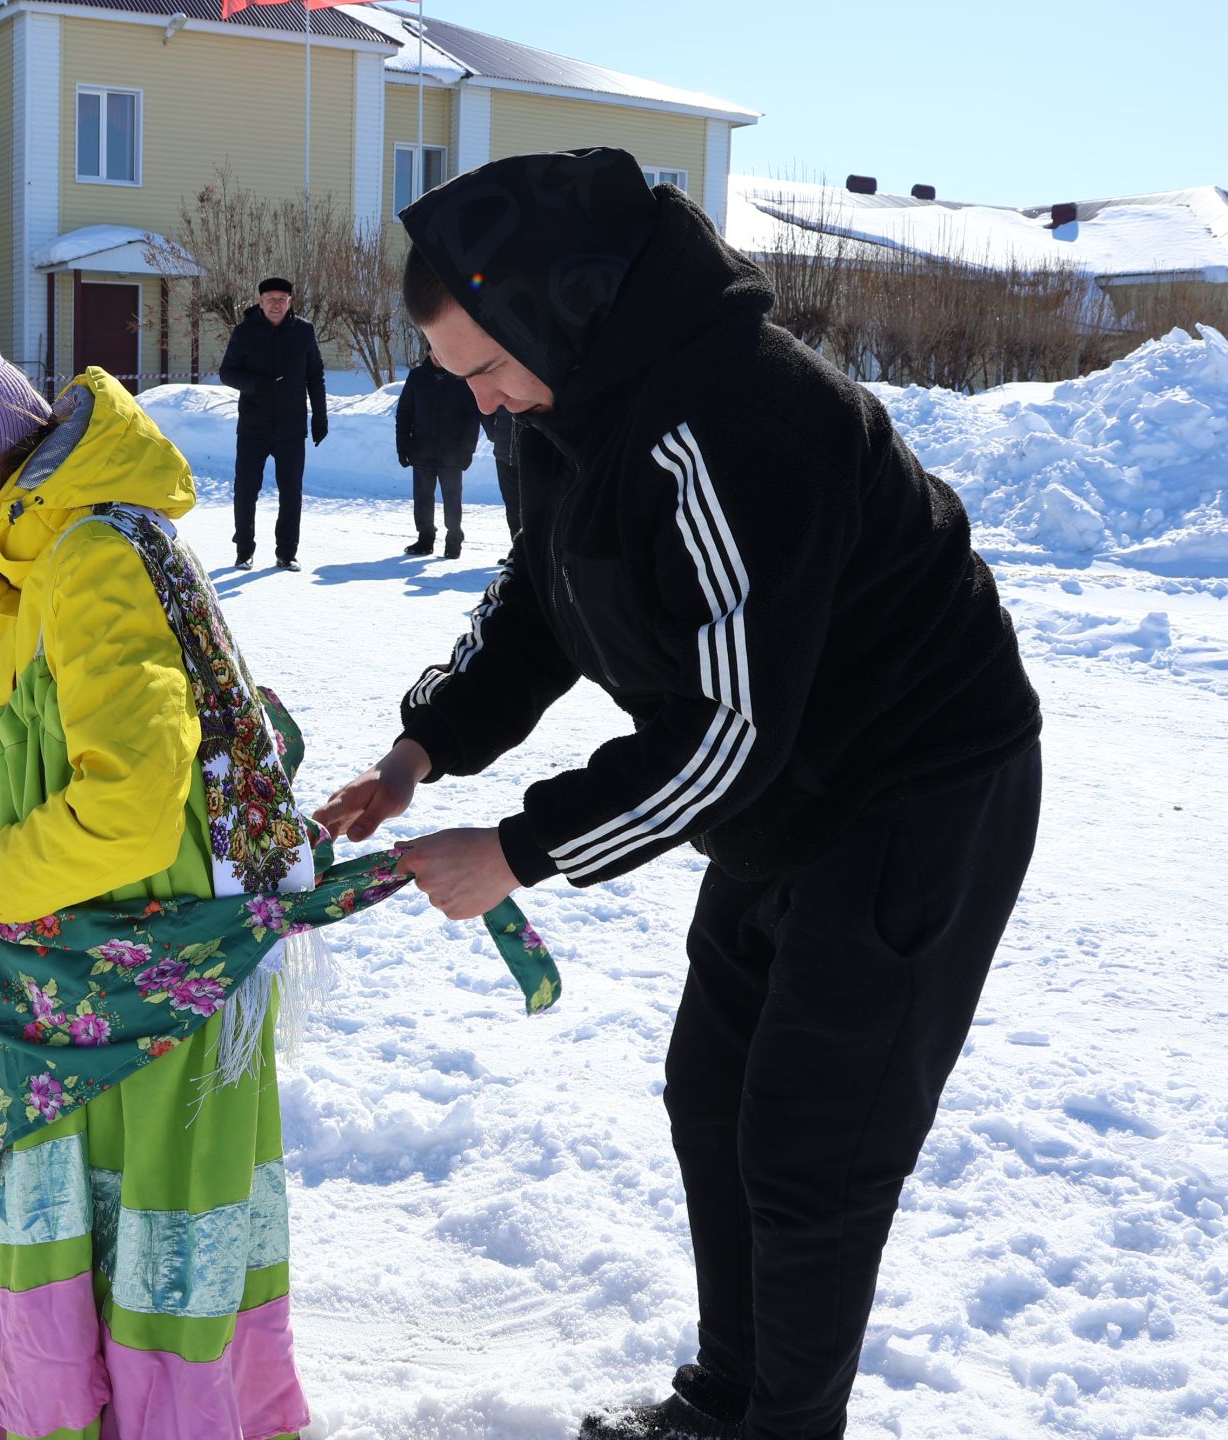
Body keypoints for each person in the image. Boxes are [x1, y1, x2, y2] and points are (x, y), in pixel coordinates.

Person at [314, 149, 1044, 1440]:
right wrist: (421, 750)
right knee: (712, 1092)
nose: (481, 406)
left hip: (915, 782)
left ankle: (782, 1426)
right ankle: (728, 1398)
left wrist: (518, 851)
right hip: (786, 781)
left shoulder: (734, 419)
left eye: (486, 369)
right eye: (458, 380)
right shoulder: (562, 413)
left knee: (814, 1146)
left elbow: (726, 732)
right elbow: (546, 594)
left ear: (558, 308)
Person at [0, 284, 311, 1440]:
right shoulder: (26, 548)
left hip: (137, 971)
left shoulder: (89, 557)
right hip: (71, 966)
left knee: (146, 1203)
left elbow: (135, 803)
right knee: (82, 1197)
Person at [218, 276, 327, 571]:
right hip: (254, 425)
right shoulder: (244, 332)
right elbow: (226, 372)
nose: (276, 304)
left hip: (291, 427)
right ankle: (244, 550)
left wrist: (320, 415)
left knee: (291, 492)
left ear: (290, 302)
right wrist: (256, 385)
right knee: (245, 490)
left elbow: (315, 376)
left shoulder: (304, 331)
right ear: (260, 302)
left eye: (282, 299)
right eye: (270, 299)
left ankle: (287, 552)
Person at [395, 348, 482, 559]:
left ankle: (454, 540)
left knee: (452, 498)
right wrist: (403, 446)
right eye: (434, 352)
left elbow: (472, 418)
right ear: (428, 352)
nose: (438, 356)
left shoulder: (461, 378)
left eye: (442, 352)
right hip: (422, 449)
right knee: (423, 497)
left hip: (451, 452)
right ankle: (425, 539)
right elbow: (404, 412)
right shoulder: (417, 377)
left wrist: (467, 450)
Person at [480, 405, 522, 561]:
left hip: (530, 457)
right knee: (512, 506)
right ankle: (517, 552)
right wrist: (494, 434)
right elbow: (485, 412)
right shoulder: (499, 383)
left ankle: (532, 552)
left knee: (531, 507)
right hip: (504, 454)